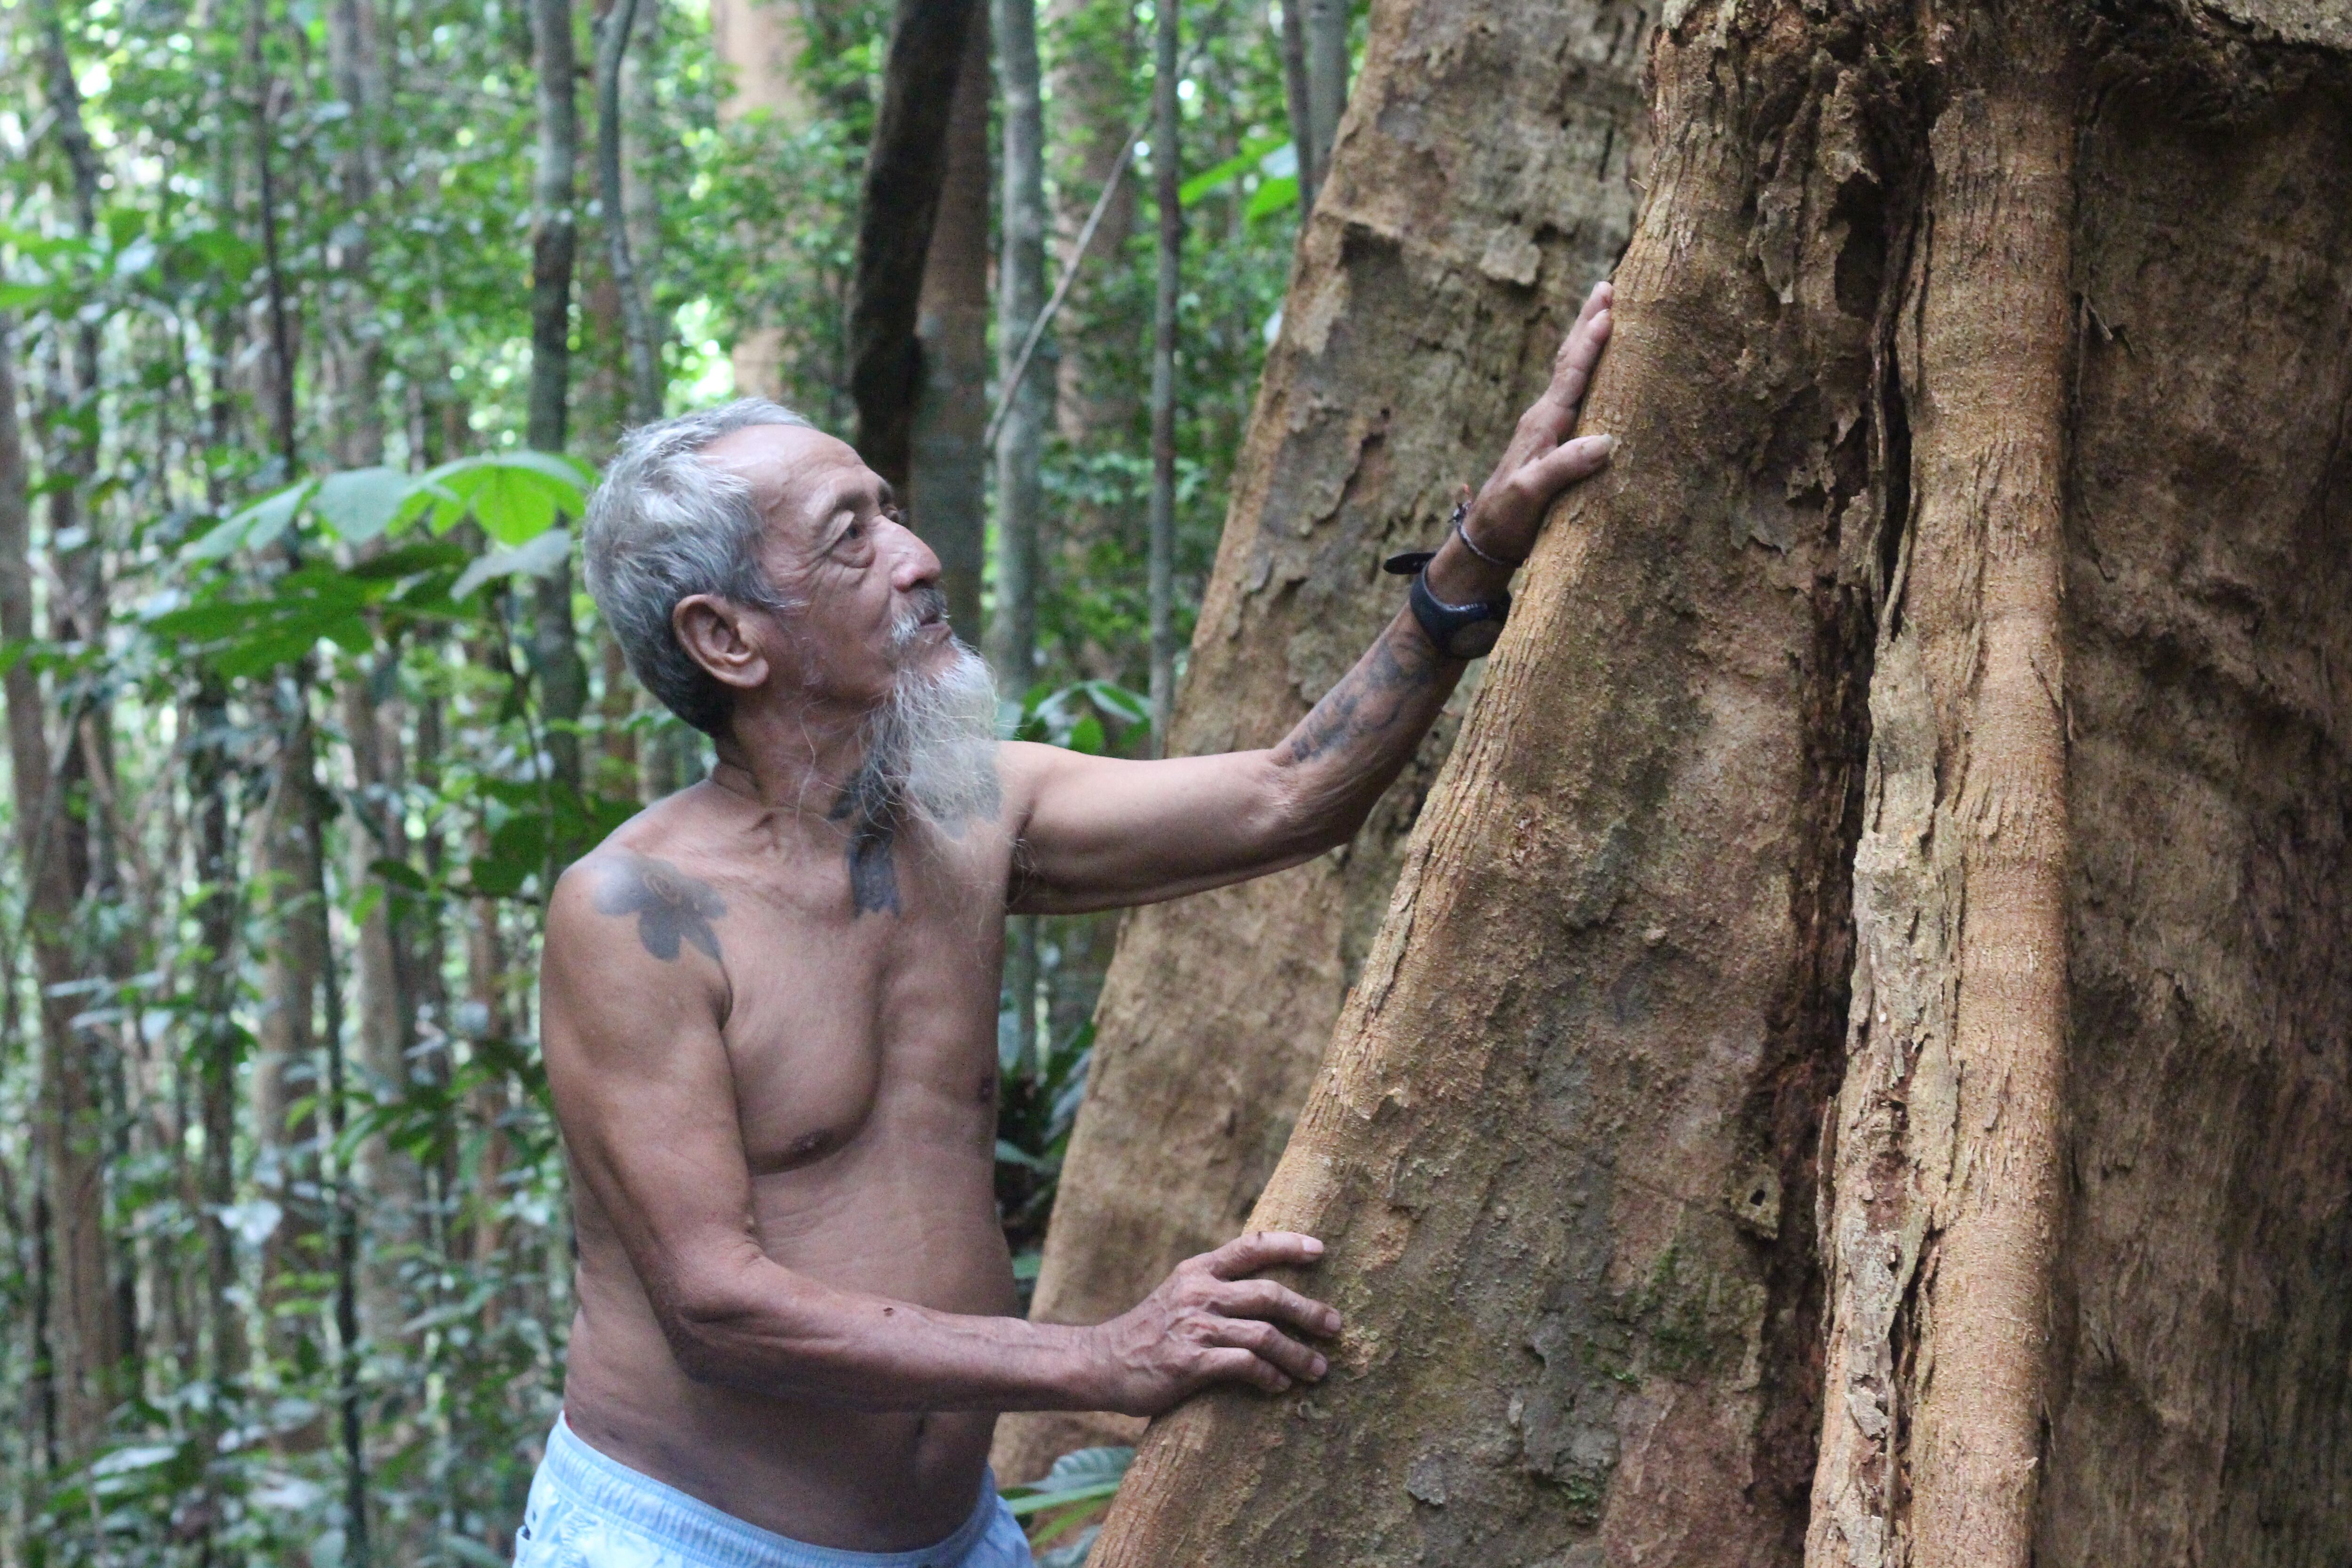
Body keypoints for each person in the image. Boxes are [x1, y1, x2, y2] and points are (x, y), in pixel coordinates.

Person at [516, 282, 1616, 1568]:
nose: (918, 556)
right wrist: (1099, 1355)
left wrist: (1469, 564)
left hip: (959, 1535)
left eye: (893, 512)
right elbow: (716, 1307)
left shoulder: (977, 810)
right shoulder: (637, 915)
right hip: (694, 1542)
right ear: (726, 638)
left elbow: (1291, 795)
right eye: (847, 539)